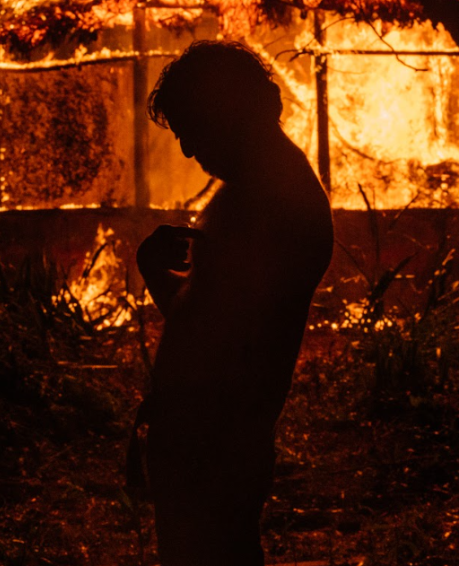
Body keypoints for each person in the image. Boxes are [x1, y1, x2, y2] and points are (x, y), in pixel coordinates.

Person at [134, 41, 333, 566]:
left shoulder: (265, 203)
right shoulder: (269, 190)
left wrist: (160, 277)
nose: (187, 151)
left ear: (225, 113)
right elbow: (218, 320)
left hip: (214, 444)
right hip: (218, 440)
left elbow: (218, 338)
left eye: (190, 129)